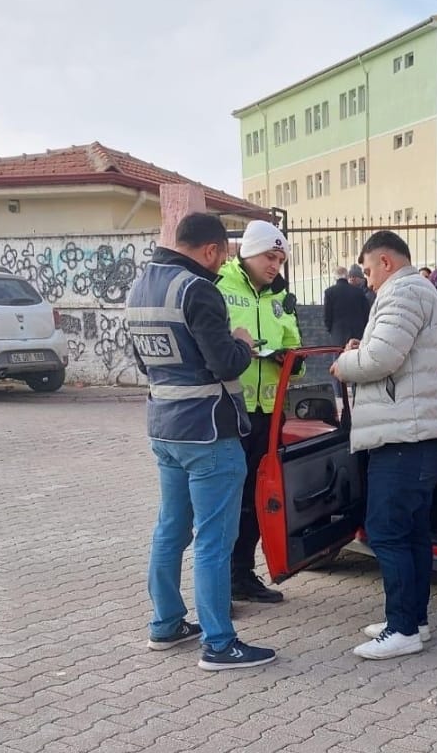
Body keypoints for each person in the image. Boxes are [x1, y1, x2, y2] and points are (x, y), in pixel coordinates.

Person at [126, 212, 276, 671]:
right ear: (211, 250)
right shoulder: (198, 290)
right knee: (215, 538)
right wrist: (243, 342)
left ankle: (166, 624)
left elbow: (141, 363)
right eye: (223, 255)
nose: (222, 263)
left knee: (170, 529)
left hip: (164, 428)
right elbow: (225, 364)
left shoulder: (140, 287)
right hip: (209, 432)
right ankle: (219, 643)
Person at [331, 230, 437, 660]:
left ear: (385, 262)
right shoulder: (420, 291)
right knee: (411, 531)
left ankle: (402, 628)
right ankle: (411, 620)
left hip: (406, 435)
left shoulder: (402, 292)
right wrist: (363, 346)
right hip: (419, 433)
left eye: (368, 271)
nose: (366, 280)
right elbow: (395, 352)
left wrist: (344, 363)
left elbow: (381, 360)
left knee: (386, 531)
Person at [216, 220, 302, 605]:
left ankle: (241, 575)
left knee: (254, 497)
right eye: (270, 256)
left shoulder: (280, 298)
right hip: (229, 411)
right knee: (225, 500)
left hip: (268, 411)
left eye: (281, 259)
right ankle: (216, 587)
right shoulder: (218, 286)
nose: (275, 266)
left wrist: (289, 358)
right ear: (248, 252)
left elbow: (295, 349)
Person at [323, 265, 371, 398]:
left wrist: (331, 330)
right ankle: (357, 393)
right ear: (347, 276)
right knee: (357, 364)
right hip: (357, 334)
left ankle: (339, 394)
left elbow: (327, 316)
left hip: (338, 335)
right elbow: (366, 313)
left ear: (335, 277)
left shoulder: (329, 292)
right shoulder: (358, 292)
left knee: (337, 364)